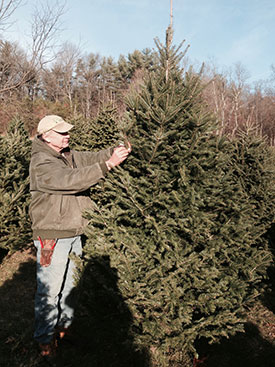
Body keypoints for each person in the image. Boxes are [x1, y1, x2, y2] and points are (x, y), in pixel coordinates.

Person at [29, 115, 130, 357]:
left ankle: (64, 329)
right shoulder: (42, 162)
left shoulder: (66, 153)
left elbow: (89, 158)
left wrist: (113, 152)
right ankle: (44, 340)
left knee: (71, 285)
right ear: (47, 136)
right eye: (62, 133)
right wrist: (108, 165)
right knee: (50, 290)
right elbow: (70, 180)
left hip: (74, 231)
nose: (67, 136)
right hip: (52, 236)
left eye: (67, 132)